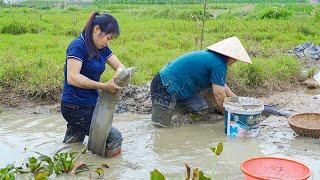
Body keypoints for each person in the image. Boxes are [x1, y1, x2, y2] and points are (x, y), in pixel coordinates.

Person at [60, 12, 125, 158]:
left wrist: (119, 74)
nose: (107, 42)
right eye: (108, 37)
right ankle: (110, 170)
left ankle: (65, 169)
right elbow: (73, 78)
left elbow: (119, 66)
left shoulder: (102, 48)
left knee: (73, 145)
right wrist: (104, 86)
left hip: (89, 105)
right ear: (97, 29)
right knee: (114, 137)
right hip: (74, 107)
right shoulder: (78, 46)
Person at [150, 36, 252, 127]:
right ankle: (175, 123)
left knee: (200, 110)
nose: (235, 62)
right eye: (236, 59)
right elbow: (219, 94)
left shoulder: (214, 59)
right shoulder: (219, 64)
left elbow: (221, 85)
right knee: (159, 126)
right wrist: (229, 114)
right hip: (164, 86)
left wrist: (236, 100)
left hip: (180, 88)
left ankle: (181, 126)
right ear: (231, 57)